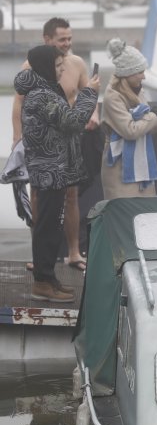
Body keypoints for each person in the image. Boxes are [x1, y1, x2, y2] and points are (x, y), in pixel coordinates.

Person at [12, 17, 98, 272]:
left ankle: (73, 252)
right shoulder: (33, 67)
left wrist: (94, 115)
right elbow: (18, 104)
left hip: (70, 140)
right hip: (43, 144)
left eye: (70, 39)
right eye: (62, 39)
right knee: (38, 196)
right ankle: (40, 256)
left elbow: (86, 95)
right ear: (47, 40)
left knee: (70, 196)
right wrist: (17, 139)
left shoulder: (76, 63)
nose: (67, 44)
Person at [101, 38, 157, 199]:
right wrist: (153, 115)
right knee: (125, 216)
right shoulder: (112, 97)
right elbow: (130, 130)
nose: (144, 77)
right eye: (140, 72)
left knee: (144, 216)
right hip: (120, 169)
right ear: (127, 73)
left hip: (142, 166)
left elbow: (147, 125)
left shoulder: (137, 90)